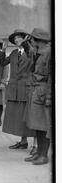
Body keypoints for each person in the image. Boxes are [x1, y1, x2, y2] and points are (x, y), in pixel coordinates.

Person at [0, 29, 36, 150]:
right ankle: (23, 141)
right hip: (15, 89)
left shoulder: (30, 51)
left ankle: (36, 145)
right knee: (19, 116)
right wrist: (3, 49)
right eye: (15, 39)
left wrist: (28, 42)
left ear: (24, 39)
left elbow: (31, 51)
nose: (17, 40)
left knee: (29, 115)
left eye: (19, 38)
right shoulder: (14, 53)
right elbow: (3, 62)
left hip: (26, 88)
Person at [24, 28, 52, 165]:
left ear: (38, 40)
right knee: (37, 124)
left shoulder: (49, 52)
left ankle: (44, 155)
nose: (31, 41)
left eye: (33, 39)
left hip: (44, 90)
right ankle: (39, 153)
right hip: (36, 90)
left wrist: (49, 96)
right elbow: (31, 58)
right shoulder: (38, 52)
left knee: (44, 125)